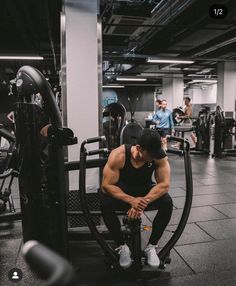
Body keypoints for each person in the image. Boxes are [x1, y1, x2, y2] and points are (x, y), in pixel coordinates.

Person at [101, 128, 173, 269]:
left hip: (145, 189)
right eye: (151, 154)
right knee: (105, 202)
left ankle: (151, 246)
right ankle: (122, 246)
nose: (154, 157)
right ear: (139, 148)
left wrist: (142, 202)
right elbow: (106, 186)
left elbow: (164, 184)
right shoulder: (119, 155)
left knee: (167, 203)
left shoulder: (159, 156)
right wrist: (131, 200)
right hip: (123, 190)